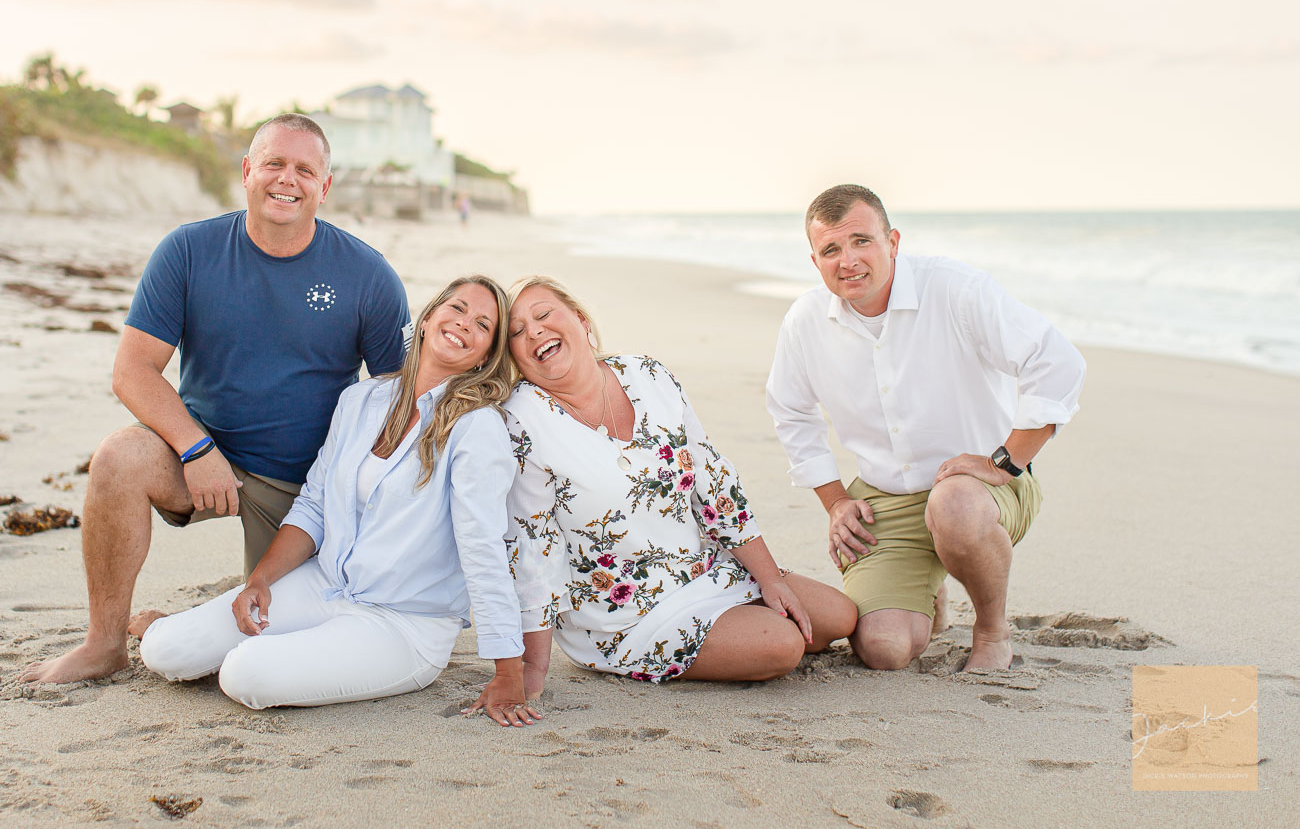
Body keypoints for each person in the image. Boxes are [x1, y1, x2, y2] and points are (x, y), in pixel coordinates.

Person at [20, 114, 411, 685]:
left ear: (324, 187)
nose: (287, 179)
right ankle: (103, 644)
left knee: (266, 639)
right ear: (248, 171)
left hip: (306, 490)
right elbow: (133, 370)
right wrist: (195, 446)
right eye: (274, 163)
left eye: (305, 169)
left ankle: (178, 622)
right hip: (204, 460)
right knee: (118, 459)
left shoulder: (368, 275)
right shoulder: (188, 250)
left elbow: (401, 402)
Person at [134, 276, 537, 727]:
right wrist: (261, 581)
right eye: (457, 309)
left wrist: (508, 670)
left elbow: (483, 547)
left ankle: (280, 647)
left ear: (486, 354)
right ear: (428, 319)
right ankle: (177, 627)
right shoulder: (361, 400)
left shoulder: (475, 427)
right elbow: (314, 505)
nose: (464, 324)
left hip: (401, 624)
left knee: (245, 674)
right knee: (165, 651)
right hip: (323, 583)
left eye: (483, 324)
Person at [765, 184, 1086, 672]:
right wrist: (835, 502)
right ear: (815, 261)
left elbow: (1058, 361)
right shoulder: (805, 321)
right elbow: (791, 411)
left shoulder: (956, 290)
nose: (848, 260)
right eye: (831, 249)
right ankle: (926, 587)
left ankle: (991, 630)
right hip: (885, 497)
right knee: (884, 650)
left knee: (953, 506)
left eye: (861, 241)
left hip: (978, 492)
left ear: (892, 242)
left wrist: (1006, 460)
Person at [503, 277, 856, 694]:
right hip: (624, 615)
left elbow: (714, 483)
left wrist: (770, 579)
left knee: (840, 615)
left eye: (543, 315)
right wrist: (531, 668)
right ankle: (705, 638)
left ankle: (738, 615)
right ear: (516, 359)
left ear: (581, 321)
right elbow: (533, 547)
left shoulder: (647, 374)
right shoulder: (522, 420)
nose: (535, 331)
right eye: (517, 333)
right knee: (781, 646)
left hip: (703, 566)